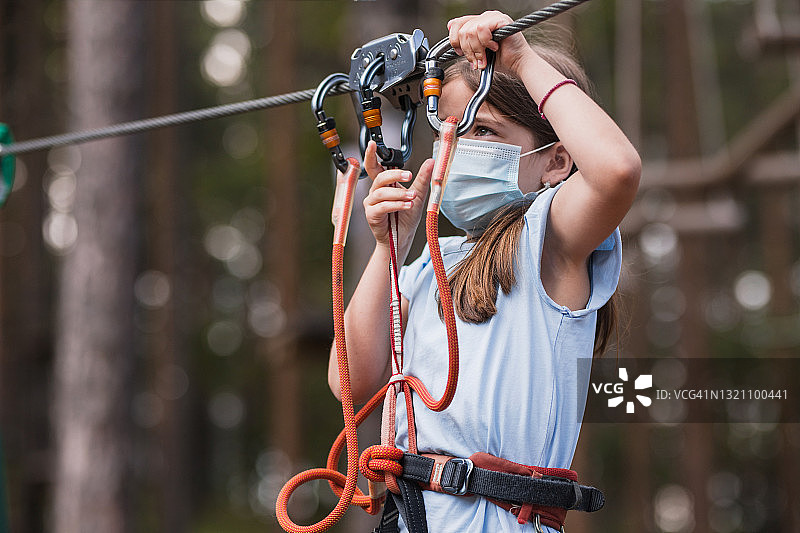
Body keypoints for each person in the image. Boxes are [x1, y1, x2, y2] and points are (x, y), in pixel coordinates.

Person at [328, 10, 641, 533]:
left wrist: (523, 60)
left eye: (483, 130)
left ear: (556, 162)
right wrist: (390, 247)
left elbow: (617, 171)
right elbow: (349, 385)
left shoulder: (550, 239)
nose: (457, 145)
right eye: (448, 129)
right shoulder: (431, 260)